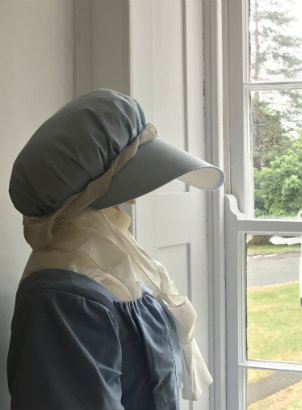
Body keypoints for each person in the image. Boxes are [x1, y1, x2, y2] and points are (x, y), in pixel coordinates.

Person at [7, 89, 224, 410]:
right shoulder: (63, 300)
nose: (133, 200)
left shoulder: (111, 263)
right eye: (128, 185)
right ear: (83, 197)